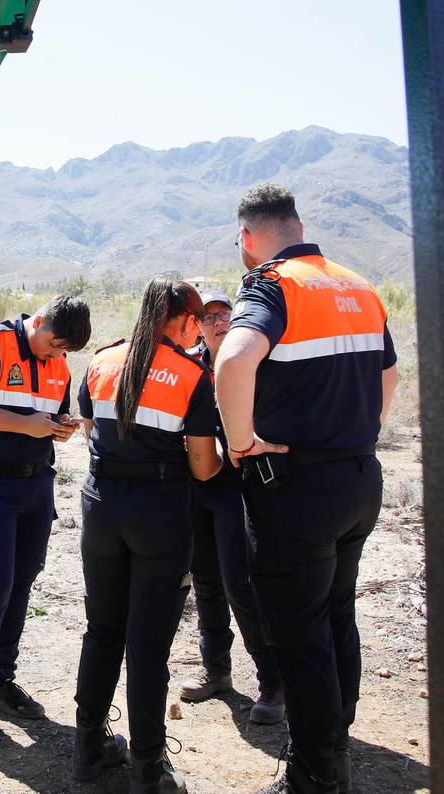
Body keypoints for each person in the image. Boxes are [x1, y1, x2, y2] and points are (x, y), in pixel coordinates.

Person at [213, 184, 398, 794]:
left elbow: (235, 360)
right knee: (336, 616)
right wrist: (360, 430)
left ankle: (315, 774)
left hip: (296, 490)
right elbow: (389, 372)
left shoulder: (271, 283)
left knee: (298, 633)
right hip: (358, 478)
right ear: (297, 223)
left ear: (247, 236)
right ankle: (333, 743)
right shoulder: (356, 285)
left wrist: (241, 442)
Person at [72, 279, 221, 794]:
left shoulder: (101, 361)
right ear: (181, 321)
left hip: (101, 506)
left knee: (102, 630)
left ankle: (87, 749)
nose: (197, 330)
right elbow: (203, 468)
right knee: (148, 646)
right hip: (158, 513)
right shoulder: (191, 373)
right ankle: (147, 770)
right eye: (197, 320)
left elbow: (92, 431)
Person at [0, 294, 91, 743]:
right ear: (42, 320)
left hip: (36, 485)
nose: (57, 355)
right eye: (54, 344)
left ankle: (1, 678)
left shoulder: (61, 364)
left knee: (20, 585)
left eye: (64, 351)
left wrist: (61, 428)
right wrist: (26, 425)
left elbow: (51, 417)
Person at [178, 289, 284, 723]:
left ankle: (273, 682)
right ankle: (217, 669)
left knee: (242, 583)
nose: (219, 321)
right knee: (205, 579)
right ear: (197, 326)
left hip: (241, 486)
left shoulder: (257, 356)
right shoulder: (190, 366)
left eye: (225, 313)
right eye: (209, 317)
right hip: (199, 485)